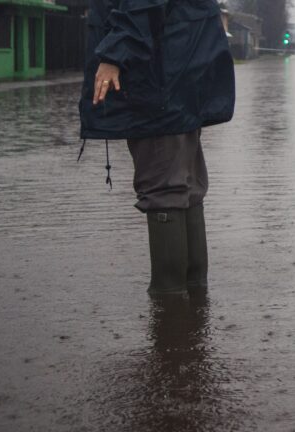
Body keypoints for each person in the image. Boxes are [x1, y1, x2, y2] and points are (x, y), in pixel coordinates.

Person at [78, 0, 235, 297]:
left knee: (166, 191)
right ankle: (193, 304)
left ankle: (170, 310)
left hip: (157, 84)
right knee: (185, 189)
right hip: (177, 82)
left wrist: (113, 56)